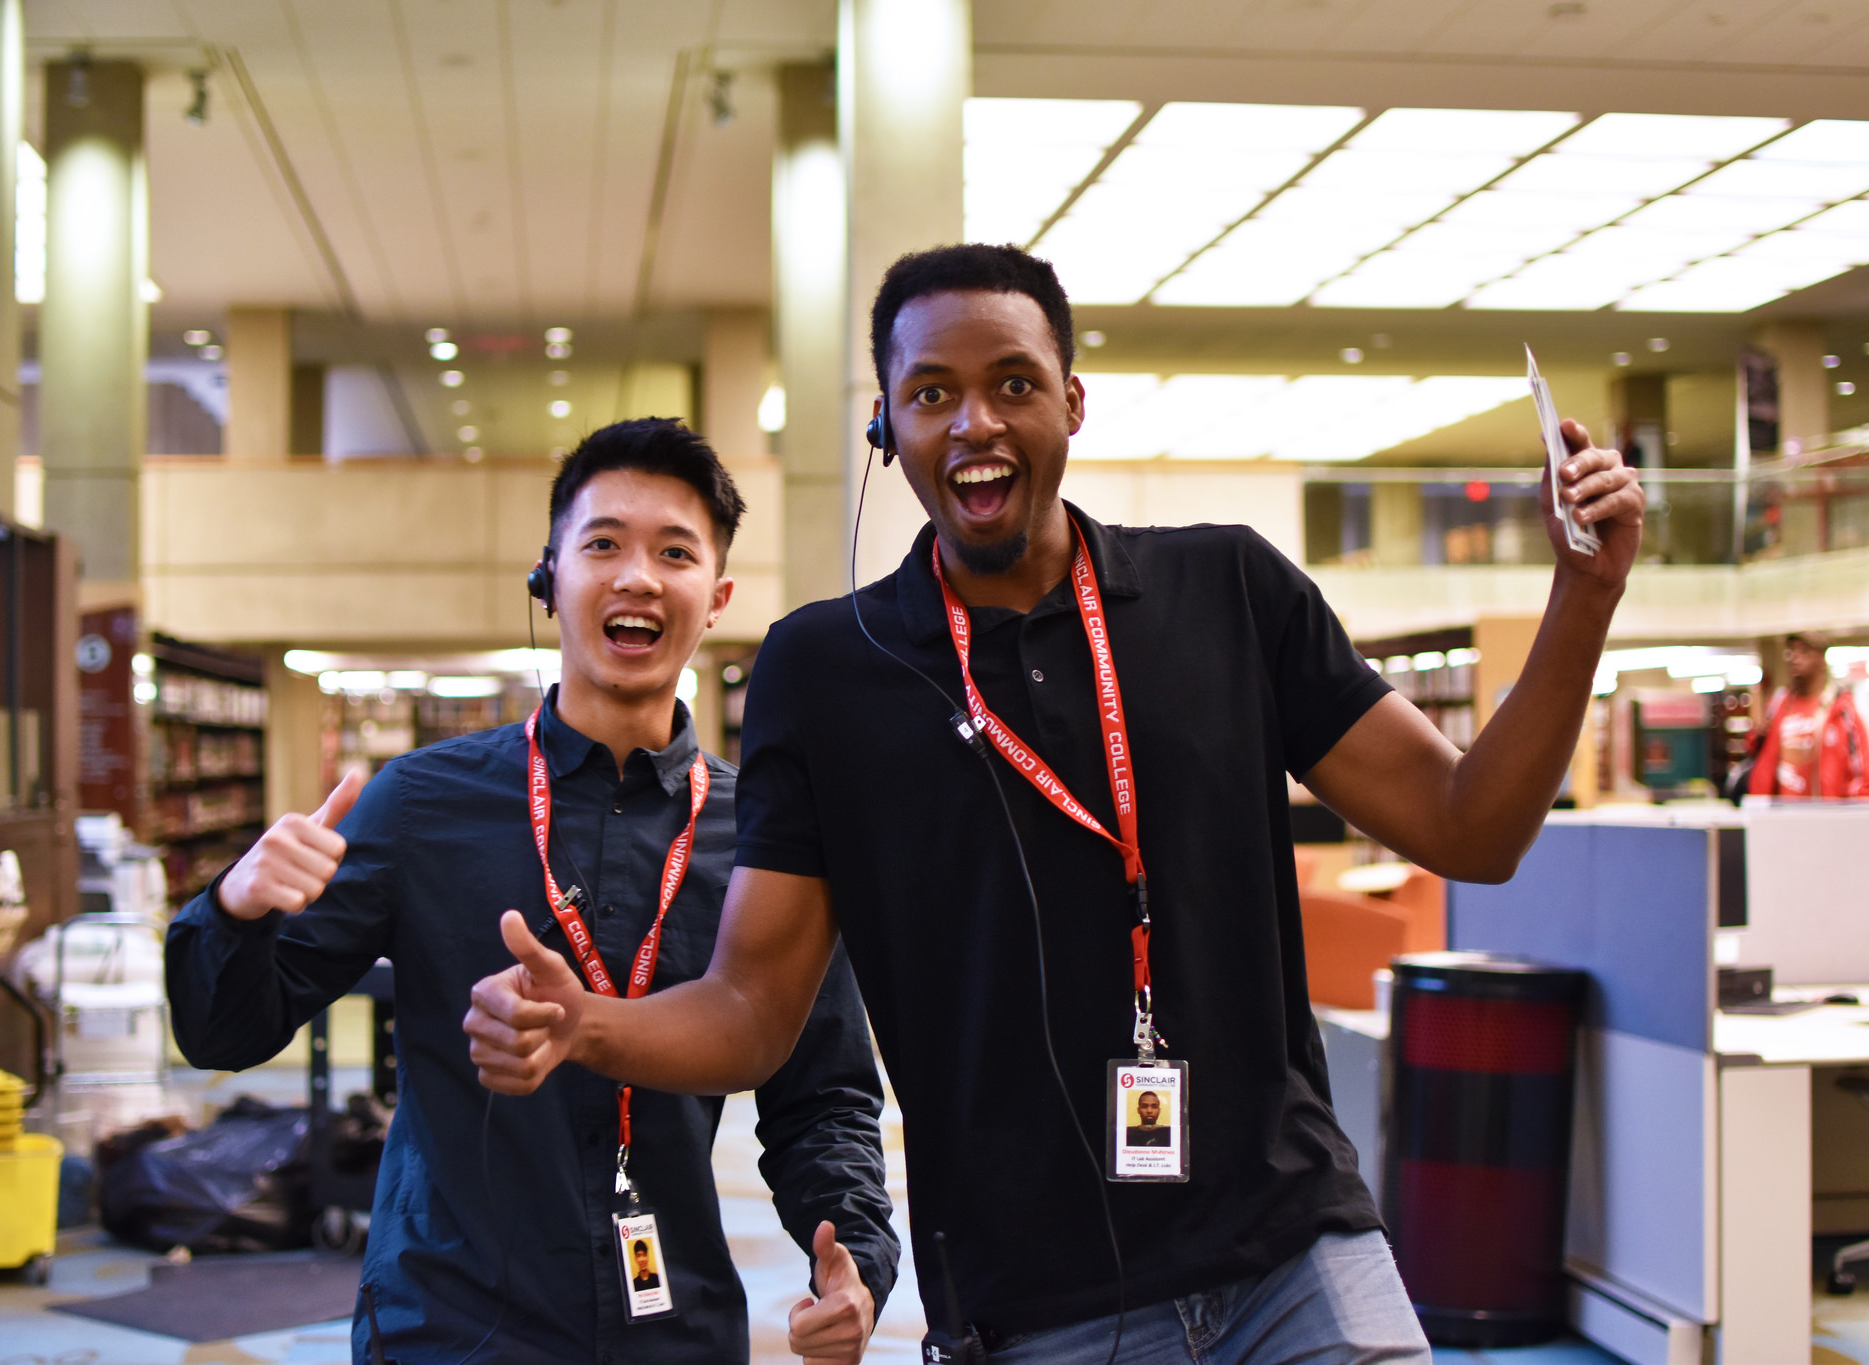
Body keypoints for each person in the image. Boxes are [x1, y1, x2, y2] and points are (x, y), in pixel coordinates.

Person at [467, 245, 1645, 1363]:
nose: (973, 422)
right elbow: (755, 1006)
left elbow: (1470, 828)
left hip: (1295, 1255)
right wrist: (590, 1028)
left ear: (1070, 404)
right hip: (1034, 1307)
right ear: (887, 428)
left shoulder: (1227, 590)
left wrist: (1582, 597)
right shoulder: (824, 671)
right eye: (929, 394)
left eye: (1010, 384)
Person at [166, 418, 899, 1365]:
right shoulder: (420, 805)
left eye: (674, 552)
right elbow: (221, 1032)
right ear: (548, 579)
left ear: (714, 598)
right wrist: (237, 909)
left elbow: (825, 1092)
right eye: (603, 545)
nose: (637, 576)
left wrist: (854, 1256)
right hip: (451, 1326)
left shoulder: (765, 834)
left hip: (670, 1328)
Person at [1745, 630, 1868, 799]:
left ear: (1821, 659)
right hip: (1780, 812)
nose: (1794, 658)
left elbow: (1861, 767)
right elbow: (1757, 751)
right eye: (1790, 651)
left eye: (1804, 651)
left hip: (1824, 812)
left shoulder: (1841, 708)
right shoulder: (1779, 704)